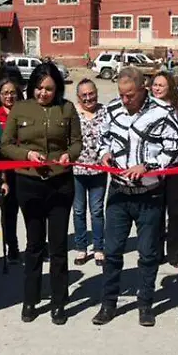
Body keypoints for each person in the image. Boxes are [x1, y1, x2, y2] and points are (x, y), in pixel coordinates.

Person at [93, 67, 178, 328]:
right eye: (121, 95)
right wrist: (105, 153)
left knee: (148, 253)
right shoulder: (112, 109)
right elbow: (103, 138)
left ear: (143, 89)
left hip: (150, 195)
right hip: (119, 194)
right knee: (112, 252)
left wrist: (148, 165)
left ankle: (145, 305)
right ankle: (108, 304)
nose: (125, 100)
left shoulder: (163, 113)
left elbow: (174, 148)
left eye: (130, 95)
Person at [1, 63, 81, 325]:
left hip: (60, 183)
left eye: (48, 89)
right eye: (38, 88)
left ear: (57, 88)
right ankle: (30, 299)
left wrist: (71, 154)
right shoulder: (20, 109)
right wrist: (27, 155)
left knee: (58, 246)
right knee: (34, 245)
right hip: (30, 183)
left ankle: (59, 301)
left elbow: (76, 142)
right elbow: (7, 145)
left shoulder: (66, 108)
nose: (43, 93)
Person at [151, 71, 178, 267]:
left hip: (176, 168)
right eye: (155, 84)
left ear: (170, 88)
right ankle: (155, 251)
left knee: (175, 211)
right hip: (154, 167)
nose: (156, 88)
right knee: (155, 210)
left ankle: (177, 252)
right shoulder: (146, 108)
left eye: (161, 85)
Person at [72, 79, 108, 266]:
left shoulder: (105, 112)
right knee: (78, 211)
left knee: (96, 211)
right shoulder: (72, 113)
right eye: (84, 95)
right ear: (78, 97)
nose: (88, 98)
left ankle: (99, 247)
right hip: (77, 170)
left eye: (91, 93)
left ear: (96, 93)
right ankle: (81, 247)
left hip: (98, 171)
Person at [0, 77, 22, 263]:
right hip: (6, 175)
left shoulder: (26, 114)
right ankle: (12, 247)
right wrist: (1, 179)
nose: (9, 96)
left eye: (12, 92)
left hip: (27, 172)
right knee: (9, 214)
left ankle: (38, 246)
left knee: (32, 212)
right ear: (0, 95)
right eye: (5, 93)